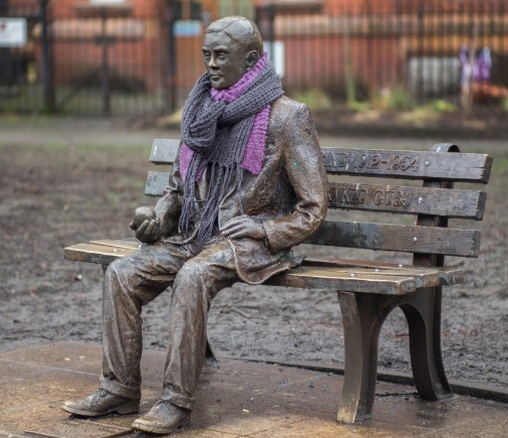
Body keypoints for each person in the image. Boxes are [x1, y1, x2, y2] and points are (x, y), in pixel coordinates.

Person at [62, 16, 328, 435]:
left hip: (247, 240)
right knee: (120, 274)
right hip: (194, 233)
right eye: (206, 56)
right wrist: (160, 215)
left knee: (193, 275)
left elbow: (313, 209)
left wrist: (264, 231)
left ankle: (175, 403)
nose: (211, 65)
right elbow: (178, 188)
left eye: (222, 56)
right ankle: (119, 389)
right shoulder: (201, 108)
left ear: (251, 59)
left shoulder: (286, 116)